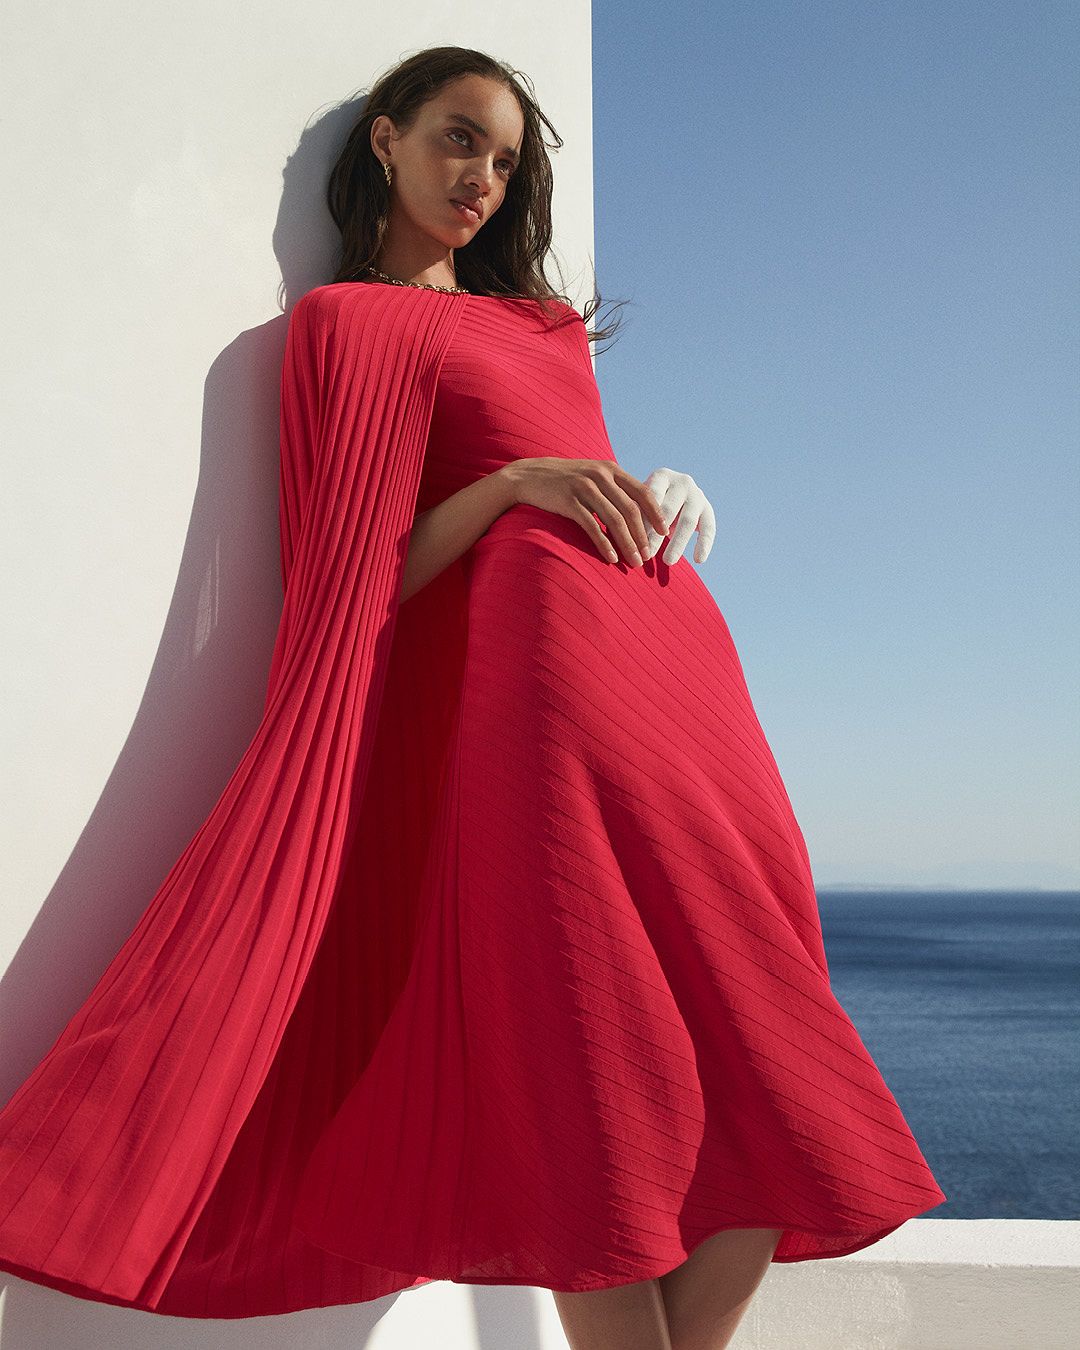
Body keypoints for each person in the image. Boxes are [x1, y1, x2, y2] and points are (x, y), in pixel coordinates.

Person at [0, 45, 946, 1348]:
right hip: (535, 704)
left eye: (506, 161)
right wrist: (511, 491)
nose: (483, 180)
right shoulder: (341, 328)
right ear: (386, 141)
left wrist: (653, 488)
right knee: (585, 1071)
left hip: (676, 668)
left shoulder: (548, 328)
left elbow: (594, 476)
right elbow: (350, 585)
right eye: (459, 141)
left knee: (774, 1054)